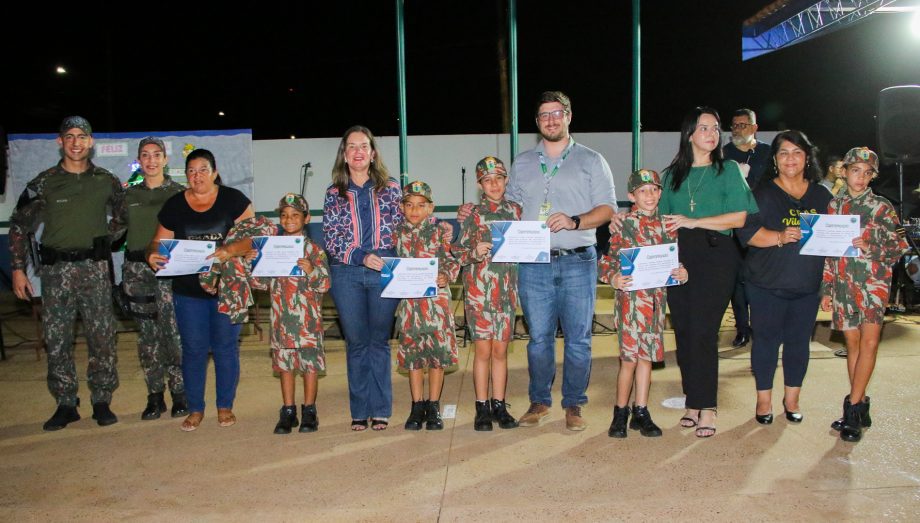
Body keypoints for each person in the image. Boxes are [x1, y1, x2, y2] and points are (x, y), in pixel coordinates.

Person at [502, 91, 617, 431]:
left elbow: (608, 209)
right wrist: (479, 212)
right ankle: (539, 401)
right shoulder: (522, 161)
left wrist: (576, 221)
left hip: (578, 261)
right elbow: (510, 207)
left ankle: (574, 404)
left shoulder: (592, 160)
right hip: (534, 264)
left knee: (579, 339)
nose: (551, 120)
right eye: (543, 115)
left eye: (556, 113)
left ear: (569, 116)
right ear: (537, 123)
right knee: (539, 339)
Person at [9, 116, 127, 431]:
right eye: (69, 136)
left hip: (94, 270)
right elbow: (19, 226)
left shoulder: (106, 180)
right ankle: (65, 403)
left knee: (102, 337)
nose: (76, 142)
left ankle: (101, 400)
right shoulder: (43, 182)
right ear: (60, 141)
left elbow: (122, 216)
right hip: (55, 272)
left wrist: (105, 241)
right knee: (57, 339)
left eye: (82, 136)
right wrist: (18, 270)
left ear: (91, 142)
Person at [660, 107, 758, 438]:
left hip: (717, 254)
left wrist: (695, 221)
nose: (712, 134)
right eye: (704, 128)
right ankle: (693, 401)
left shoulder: (728, 169)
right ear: (689, 134)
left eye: (716, 128)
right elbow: (658, 222)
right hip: (679, 257)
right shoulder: (671, 175)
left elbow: (740, 217)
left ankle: (708, 407)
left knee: (703, 331)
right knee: (684, 332)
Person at [146, 149, 255, 431]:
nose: (197, 176)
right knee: (193, 350)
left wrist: (228, 251)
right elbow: (158, 242)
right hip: (188, 292)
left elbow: (253, 241)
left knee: (225, 349)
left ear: (215, 172)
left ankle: (224, 406)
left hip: (227, 289)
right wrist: (152, 254)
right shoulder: (174, 206)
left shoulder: (234, 200)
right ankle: (195, 408)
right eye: (192, 171)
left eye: (203, 170)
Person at [735, 130, 831, 426]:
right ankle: (764, 400)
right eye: (784, 153)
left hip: (806, 286)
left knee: (799, 344)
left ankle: (792, 399)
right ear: (775, 160)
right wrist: (778, 236)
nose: (791, 159)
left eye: (797, 152)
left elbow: (835, 242)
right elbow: (746, 234)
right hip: (766, 284)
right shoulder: (761, 194)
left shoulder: (822, 195)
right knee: (765, 342)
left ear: (807, 157)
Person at [820, 147, 908, 443]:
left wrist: (870, 246)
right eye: (855, 170)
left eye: (867, 172)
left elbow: (900, 248)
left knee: (869, 343)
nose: (861, 177)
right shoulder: (835, 206)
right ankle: (861, 402)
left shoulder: (882, 207)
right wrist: (826, 288)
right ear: (843, 172)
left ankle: (853, 410)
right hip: (845, 285)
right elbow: (829, 254)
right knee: (853, 344)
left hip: (873, 285)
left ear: (873, 176)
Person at [323, 125, 403, 432]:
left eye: (363, 146)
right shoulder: (334, 193)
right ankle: (359, 410)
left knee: (379, 341)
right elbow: (332, 237)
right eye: (351, 147)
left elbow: (407, 222)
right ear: (344, 155)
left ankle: (381, 409)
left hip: (384, 273)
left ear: (372, 153)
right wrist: (360, 256)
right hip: (347, 274)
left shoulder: (392, 188)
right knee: (356, 343)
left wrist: (438, 228)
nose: (358, 151)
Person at [599, 169, 688, 439]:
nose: (648, 195)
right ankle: (620, 412)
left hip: (655, 306)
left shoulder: (668, 226)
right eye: (642, 191)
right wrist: (613, 277)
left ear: (660, 193)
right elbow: (606, 262)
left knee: (646, 359)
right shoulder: (624, 225)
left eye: (653, 190)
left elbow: (674, 261)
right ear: (631, 196)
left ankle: (641, 411)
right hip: (629, 305)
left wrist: (682, 272)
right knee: (628, 360)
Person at [453, 156, 522, 431]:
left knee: (501, 351)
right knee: (482, 350)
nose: (494, 184)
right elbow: (457, 251)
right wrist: (473, 251)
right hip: (479, 294)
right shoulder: (471, 214)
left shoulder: (516, 211)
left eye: (499, 178)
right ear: (480, 184)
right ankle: (482, 407)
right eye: (487, 180)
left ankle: (500, 405)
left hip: (505, 293)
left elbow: (528, 242)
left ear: (506, 180)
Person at [252, 194, 330, 435]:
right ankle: (288, 410)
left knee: (309, 366)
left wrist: (312, 270)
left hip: (308, 321)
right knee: (285, 366)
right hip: (282, 319)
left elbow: (325, 284)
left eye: (295, 215)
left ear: (306, 218)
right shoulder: (271, 247)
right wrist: (254, 263)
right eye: (284, 215)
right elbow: (259, 283)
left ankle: (309, 411)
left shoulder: (314, 250)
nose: (289, 220)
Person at [122, 137, 187, 420]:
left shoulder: (179, 193)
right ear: (139, 160)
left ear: (165, 159)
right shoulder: (126, 196)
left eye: (156, 155)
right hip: (137, 272)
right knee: (147, 337)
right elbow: (113, 231)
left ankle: (180, 394)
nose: (151, 161)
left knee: (173, 334)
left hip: (169, 271)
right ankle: (154, 396)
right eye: (145, 156)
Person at [394, 181, 461, 431]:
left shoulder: (440, 231)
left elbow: (452, 260)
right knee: (413, 357)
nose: (415, 210)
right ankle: (416, 405)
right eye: (409, 205)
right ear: (402, 207)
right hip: (410, 306)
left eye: (421, 205)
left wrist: (445, 275)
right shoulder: (396, 233)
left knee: (436, 357)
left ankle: (433, 405)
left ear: (430, 208)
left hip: (436, 305)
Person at [723, 108, 770, 349]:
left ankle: (763, 328)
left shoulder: (768, 153)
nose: (737, 129)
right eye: (734, 125)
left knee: (762, 278)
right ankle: (742, 328)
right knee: (737, 281)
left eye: (743, 125)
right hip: (733, 226)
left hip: (763, 224)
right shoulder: (723, 155)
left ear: (754, 128)